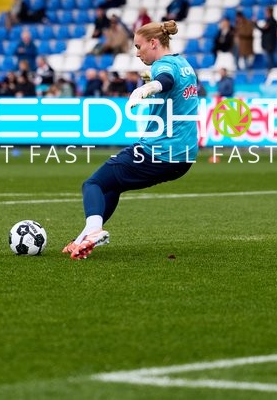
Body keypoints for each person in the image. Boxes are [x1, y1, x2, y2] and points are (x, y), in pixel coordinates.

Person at [63, 20, 198, 260]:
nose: (137, 53)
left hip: (159, 151)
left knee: (93, 184)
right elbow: (172, 83)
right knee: (113, 185)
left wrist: (145, 89)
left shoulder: (162, 65)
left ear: (154, 42)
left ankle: (94, 231)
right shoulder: (184, 64)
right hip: (183, 157)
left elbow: (165, 80)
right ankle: (85, 238)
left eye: (139, 46)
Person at [257, 6, 277, 70]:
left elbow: (264, 29)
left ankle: (270, 73)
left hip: (268, 45)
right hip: (270, 44)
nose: (265, 14)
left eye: (266, 12)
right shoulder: (271, 21)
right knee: (270, 60)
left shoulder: (271, 21)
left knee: (269, 61)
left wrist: (256, 25)